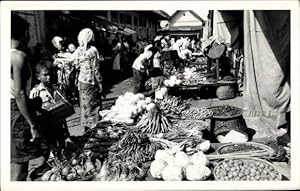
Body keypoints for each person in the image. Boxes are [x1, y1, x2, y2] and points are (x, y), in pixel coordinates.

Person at [10, 14, 48, 181]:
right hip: (17, 113)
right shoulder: (18, 56)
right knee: (21, 168)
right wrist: (32, 124)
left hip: (11, 110)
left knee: (20, 159)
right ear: (24, 33)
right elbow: (19, 93)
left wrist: (34, 104)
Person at [29, 62, 70, 152]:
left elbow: (62, 112)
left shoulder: (57, 90)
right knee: (51, 150)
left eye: (50, 74)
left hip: (59, 126)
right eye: (45, 75)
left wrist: (66, 129)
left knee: (63, 149)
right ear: (38, 76)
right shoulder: (36, 92)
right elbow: (32, 113)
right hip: (46, 128)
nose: (49, 77)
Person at [72, 28, 103, 131]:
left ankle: (86, 129)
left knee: (85, 107)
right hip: (91, 83)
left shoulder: (78, 51)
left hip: (82, 83)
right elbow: (96, 69)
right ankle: (94, 130)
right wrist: (100, 83)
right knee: (94, 106)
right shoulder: (93, 50)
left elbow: (76, 66)